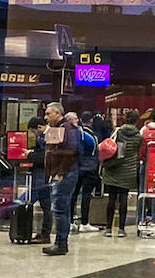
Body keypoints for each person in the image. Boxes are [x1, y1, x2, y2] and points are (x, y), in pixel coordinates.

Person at [42, 102, 79, 256]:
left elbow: (70, 152)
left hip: (65, 173)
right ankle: (60, 242)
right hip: (58, 172)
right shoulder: (56, 129)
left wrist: (61, 173)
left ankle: (61, 243)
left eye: (49, 113)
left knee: (59, 209)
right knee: (61, 208)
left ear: (58, 113)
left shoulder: (67, 129)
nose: (45, 117)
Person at [100, 110, 142, 237]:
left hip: (113, 168)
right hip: (128, 170)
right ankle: (121, 229)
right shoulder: (139, 136)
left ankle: (108, 228)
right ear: (136, 120)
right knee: (123, 199)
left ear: (125, 118)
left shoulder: (118, 132)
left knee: (112, 198)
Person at [69, 111, 102, 233]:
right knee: (86, 195)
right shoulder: (91, 135)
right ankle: (84, 222)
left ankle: (70, 221)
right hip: (89, 168)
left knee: (73, 195)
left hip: (77, 167)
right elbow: (95, 150)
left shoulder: (76, 133)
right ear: (91, 120)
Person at [24, 115, 53, 244]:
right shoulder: (42, 137)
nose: (34, 135)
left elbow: (47, 157)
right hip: (41, 174)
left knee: (45, 204)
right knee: (45, 204)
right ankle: (43, 233)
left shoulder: (51, 136)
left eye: (34, 131)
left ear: (39, 127)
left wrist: (30, 155)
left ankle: (45, 234)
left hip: (45, 175)